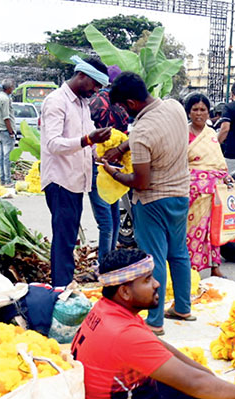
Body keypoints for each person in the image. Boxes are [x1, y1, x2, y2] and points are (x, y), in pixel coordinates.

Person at [72, 248, 235, 399]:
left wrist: (206, 375)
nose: (156, 284)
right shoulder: (124, 334)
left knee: (205, 387)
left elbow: (160, 346)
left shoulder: (106, 308)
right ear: (125, 292)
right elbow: (195, 383)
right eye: (147, 280)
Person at [102, 72, 193, 336]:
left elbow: (141, 182)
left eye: (122, 107)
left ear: (130, 103)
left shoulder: (142, 131)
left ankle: (155, 321)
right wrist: (122, 149)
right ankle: (183, 308)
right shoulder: (175, 107)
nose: (123, 112)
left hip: (153, 201)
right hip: (181, 194)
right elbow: (154, 136)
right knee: (179, 253)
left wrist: (113, 173)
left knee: (154, 260)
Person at [40, 56, 113, 287]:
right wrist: (87, 140)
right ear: (82, 76)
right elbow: (53, 143)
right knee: (64, 239)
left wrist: (101, 153)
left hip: (76, 180)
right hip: (60, 180)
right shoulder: (56, 101)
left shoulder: (82, 104)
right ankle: (61, 288)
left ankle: (64, 284)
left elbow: (90, 140)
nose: (96, 91)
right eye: (95, 85)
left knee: (69, 237)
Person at [88, 66, 131, 267]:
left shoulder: (96, 101)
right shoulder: (123, 104)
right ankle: (111, 259)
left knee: (105, 221)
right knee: (113, 213)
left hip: (98, 162)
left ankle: (104, 263)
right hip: (118, 163)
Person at [184, 93, 229, 278]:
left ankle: (215, 267)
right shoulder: (183, 133)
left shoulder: (211, 134)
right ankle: (190, 269)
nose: (199, 113)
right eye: (195, 109)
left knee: (213, 229)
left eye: (203, 110)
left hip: (213, 191)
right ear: (189, 112)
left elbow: (218, 162)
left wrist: (225, 177)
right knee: (191, 231)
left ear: (208, 113)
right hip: (191, 191)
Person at [0, 79, 17, 186]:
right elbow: (6, 117)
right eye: (12, 87)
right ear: (8, 88)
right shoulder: (5, 99)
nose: (13, 89)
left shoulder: (0, 97)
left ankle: (3, 179)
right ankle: (7, 180)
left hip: (1, 130)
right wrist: (11, 131)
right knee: (7, 157)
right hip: (6, 130)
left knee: (2, 156)